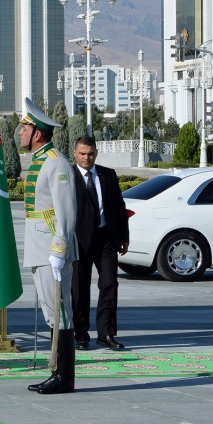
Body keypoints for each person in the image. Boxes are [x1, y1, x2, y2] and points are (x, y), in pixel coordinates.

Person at [18, 98, 78, 395]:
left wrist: (59, 249)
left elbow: (65, 211)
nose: (20, 132)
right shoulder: (40, 161)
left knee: (60, 312)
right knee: (51, 311)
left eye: (24, 127)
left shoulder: (56, 163)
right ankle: (56, 371)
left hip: (52, 247)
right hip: (39, 246)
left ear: (37, 133)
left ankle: (64, 376)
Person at [71, 135, 130, 351]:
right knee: (79, 288)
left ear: (96, 153)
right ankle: (81, 334)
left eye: (91, 153)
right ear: (75, 153)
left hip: (105, 238)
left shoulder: (107, 175)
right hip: (79, 240)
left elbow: (119, 207)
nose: (87, 158)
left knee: (109, 285)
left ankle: (106, 333)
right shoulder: (67, 176)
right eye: (82, 154)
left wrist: (124, 236)